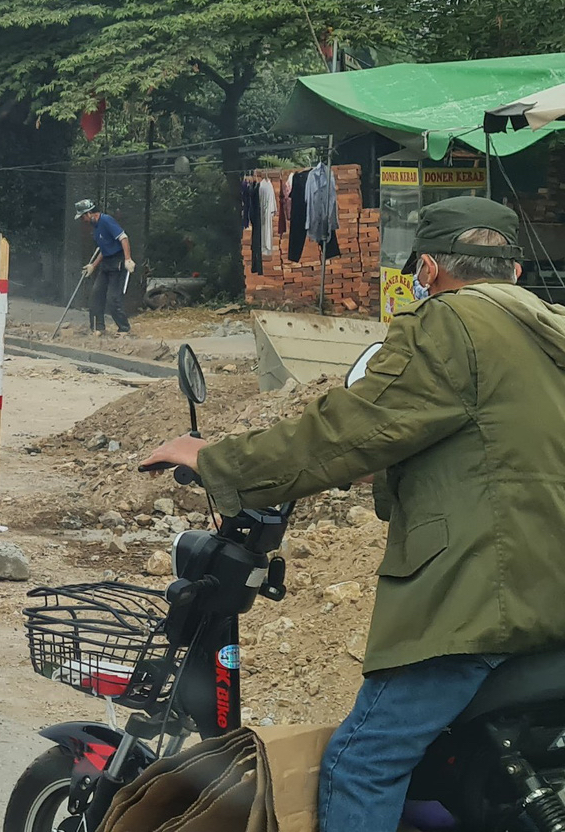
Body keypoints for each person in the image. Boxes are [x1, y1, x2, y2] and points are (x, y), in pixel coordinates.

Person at [144, 197, 565, 832]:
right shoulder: (547, 333)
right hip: (547, 588)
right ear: (516, 272)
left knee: (361, 761)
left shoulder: (450, 325)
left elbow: (346, 432)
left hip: (480, 594)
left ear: (426, 270)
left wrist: (218, 460)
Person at [74, 199, 134, 335]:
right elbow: (103, 248)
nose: (82, 220)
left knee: (113, 298)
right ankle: (98, 328)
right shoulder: (95, 227)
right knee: (96, 295)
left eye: (83, 217)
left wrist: (128, 259)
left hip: (118, 262)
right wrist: (93, 266)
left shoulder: (106, 220)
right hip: (106, 262)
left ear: (89, 213)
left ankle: (124, 329)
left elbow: (123, 238)